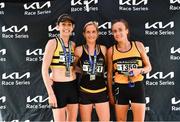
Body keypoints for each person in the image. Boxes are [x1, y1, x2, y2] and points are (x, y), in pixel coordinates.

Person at [107, 19, 152, 122]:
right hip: (120, 88)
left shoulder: (138, 45)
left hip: (137, 87)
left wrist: (139, 70)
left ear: (126, 31)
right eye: (114, 31)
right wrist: (110, 93)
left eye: (120, 30)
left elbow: (149, 67)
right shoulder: (111, 51)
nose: (117, 33)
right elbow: (109, 74)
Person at [41, 14, 78, 121]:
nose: (66, 27)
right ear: (57, 26)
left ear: (73, 27)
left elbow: (73, 67)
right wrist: (50, 93)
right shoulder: (52, 43)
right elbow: (44, 70)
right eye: (63, 24)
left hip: (72, 86)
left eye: (69, 24)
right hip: (58, 88)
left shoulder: (73, 44)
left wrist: (86, 70)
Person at [74, 21, 110, 121]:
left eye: (93, 32)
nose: (91, 34)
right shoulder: (79, 49)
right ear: (84, 34)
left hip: (101, 91)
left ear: (97, 34)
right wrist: (83, 70)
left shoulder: (103, 49)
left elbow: (107, 66)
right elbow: (72, 67)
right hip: (84, 92)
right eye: (88, 32)